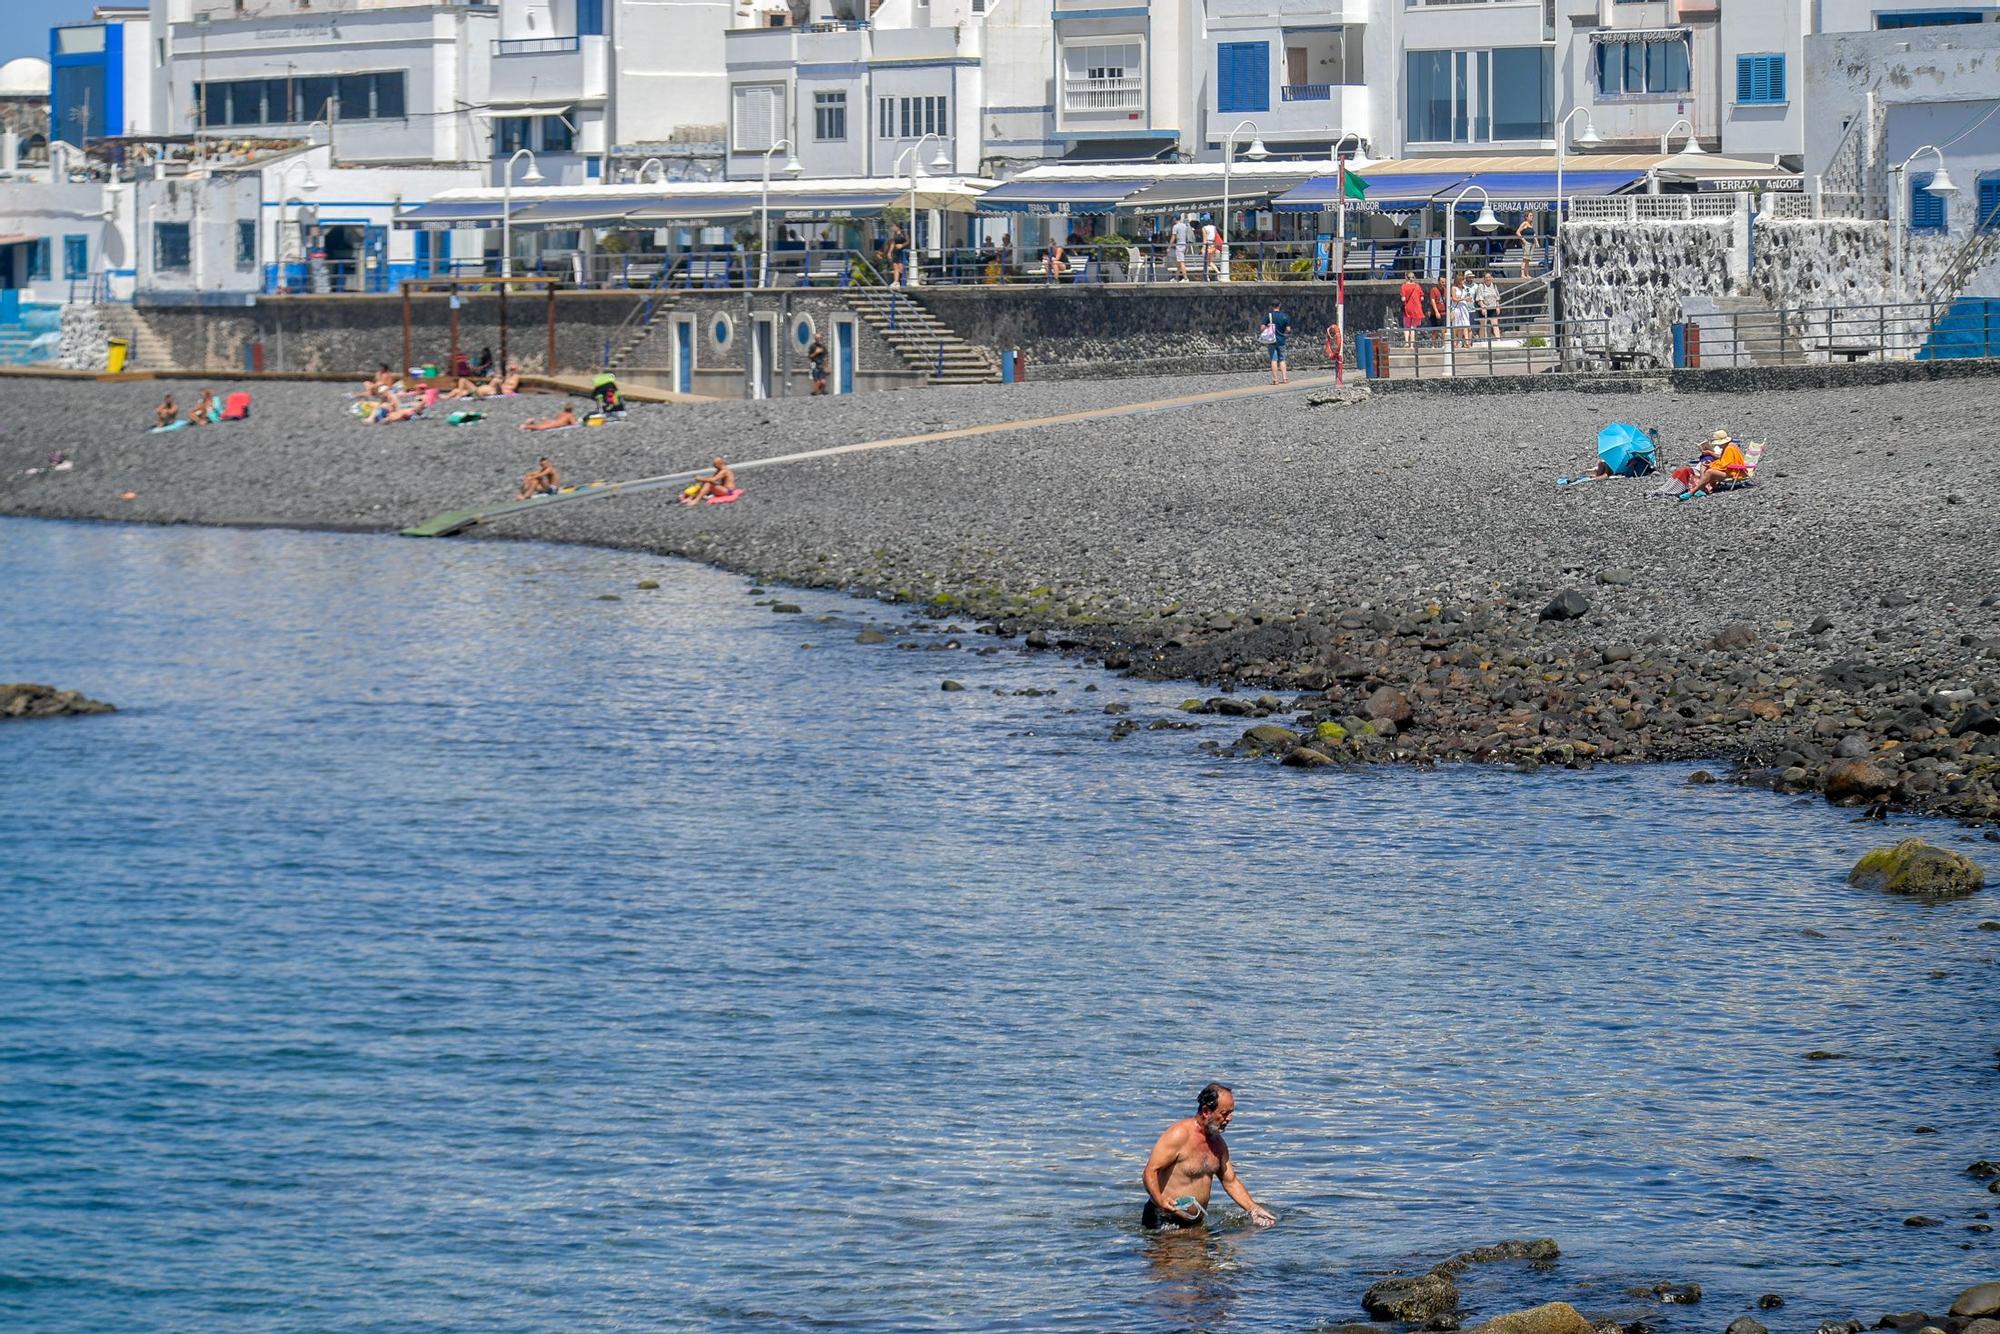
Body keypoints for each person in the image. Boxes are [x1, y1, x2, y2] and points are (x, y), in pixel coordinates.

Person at [1141, 1083, 1276, 1230]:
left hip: (1195, 1223)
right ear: (1206, 1111)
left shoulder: (1218, 1145)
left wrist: (1253, 1209)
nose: (1230, 1118)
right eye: (1224, 1113)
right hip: (1164, 1219)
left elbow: (1230, 1181)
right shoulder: (1179, 1134)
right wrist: (1160, 1201)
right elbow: (1150, 1171)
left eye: (1231, 1112)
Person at [1261, 302, 1291, 385]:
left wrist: (1268, 327)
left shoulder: (1269, 316)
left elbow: (1262, 328)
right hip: (1281, 340)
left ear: (1272, 306)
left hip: (1271, 340)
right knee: (1282, 359)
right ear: (1279, 305)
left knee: (1274, 360)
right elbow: (1288, 329)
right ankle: (1285, 378)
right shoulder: (1285, 316)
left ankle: (1275, 380)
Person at [1399, 275, 1426, 349]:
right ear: (1414, 277)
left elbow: (1403, 299)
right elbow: (1422, 298)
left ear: (1406, 278)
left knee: (1406, 326)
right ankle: (1412, 346)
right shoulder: (1417, 286)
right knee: (1413, 327)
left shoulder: (1404, 286)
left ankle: (1407, 342)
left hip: (1408, 308)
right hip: (1416, 308)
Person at [1449, 277, 1473, 351]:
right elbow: (1454, 299)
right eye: (1463, 280)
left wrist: (1468, 299)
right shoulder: (1454, 288)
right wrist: (1464, 299)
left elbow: (1467, 296)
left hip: (1464, 308)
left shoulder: (1464, 288)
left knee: (1465, 324)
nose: (1464, 281)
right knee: (1457, 326)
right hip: (1457, 309)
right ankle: (1455, 343)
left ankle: (1467, 342)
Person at [1476, 272, 1502, 341]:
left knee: (1495, 324)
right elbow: (1480, 298)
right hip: (1484, 307)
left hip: (1492, 307)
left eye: (1489, 277)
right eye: (1486, 277)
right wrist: (1482, 307)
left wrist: (1497, 306)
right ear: (1484, 279)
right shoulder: (1481, 286)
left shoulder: (1494, 286)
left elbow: (1497, 297)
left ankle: (1498, 339)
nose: (1488, 279)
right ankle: (1482, 339)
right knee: (1483, 325)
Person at [1170, 214, 1194, 282]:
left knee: (1181, 262)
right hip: (1185, 245)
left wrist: (1169, 246)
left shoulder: (1175, 227)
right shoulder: (1185, 226)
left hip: (1179, 246)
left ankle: (1186, 278)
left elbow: (1173, 237)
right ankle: (1176, 278)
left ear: (1174, 219)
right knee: (1178, 263)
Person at [1428, 280, 1448, 349]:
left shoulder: (1445, 290)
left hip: (1444, 312)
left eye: (1444, 282)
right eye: (1442, 282)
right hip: (1435, 313)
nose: (1443, 283)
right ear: (1438, 282)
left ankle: (1443, 344)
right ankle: (1433, 345)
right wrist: (1436, 312)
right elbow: (1433, 301)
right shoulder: (1434, 290)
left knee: (1443, 330)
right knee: (1435, 330)